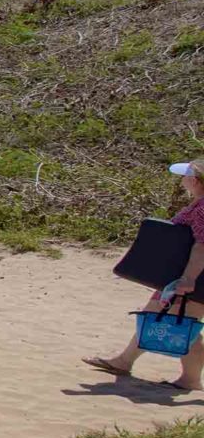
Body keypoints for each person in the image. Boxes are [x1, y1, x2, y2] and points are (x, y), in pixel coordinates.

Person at [87, 160, 204, 392]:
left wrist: (188, 279)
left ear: (196, 180)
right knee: (172, 319)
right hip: (185, 276)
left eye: (185, 175)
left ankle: (189, 379)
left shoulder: (202, 209)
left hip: (194, 278)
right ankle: (126, 361)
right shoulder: (199, 205)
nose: (181, 179)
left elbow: (202, 246)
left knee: (186, 326)